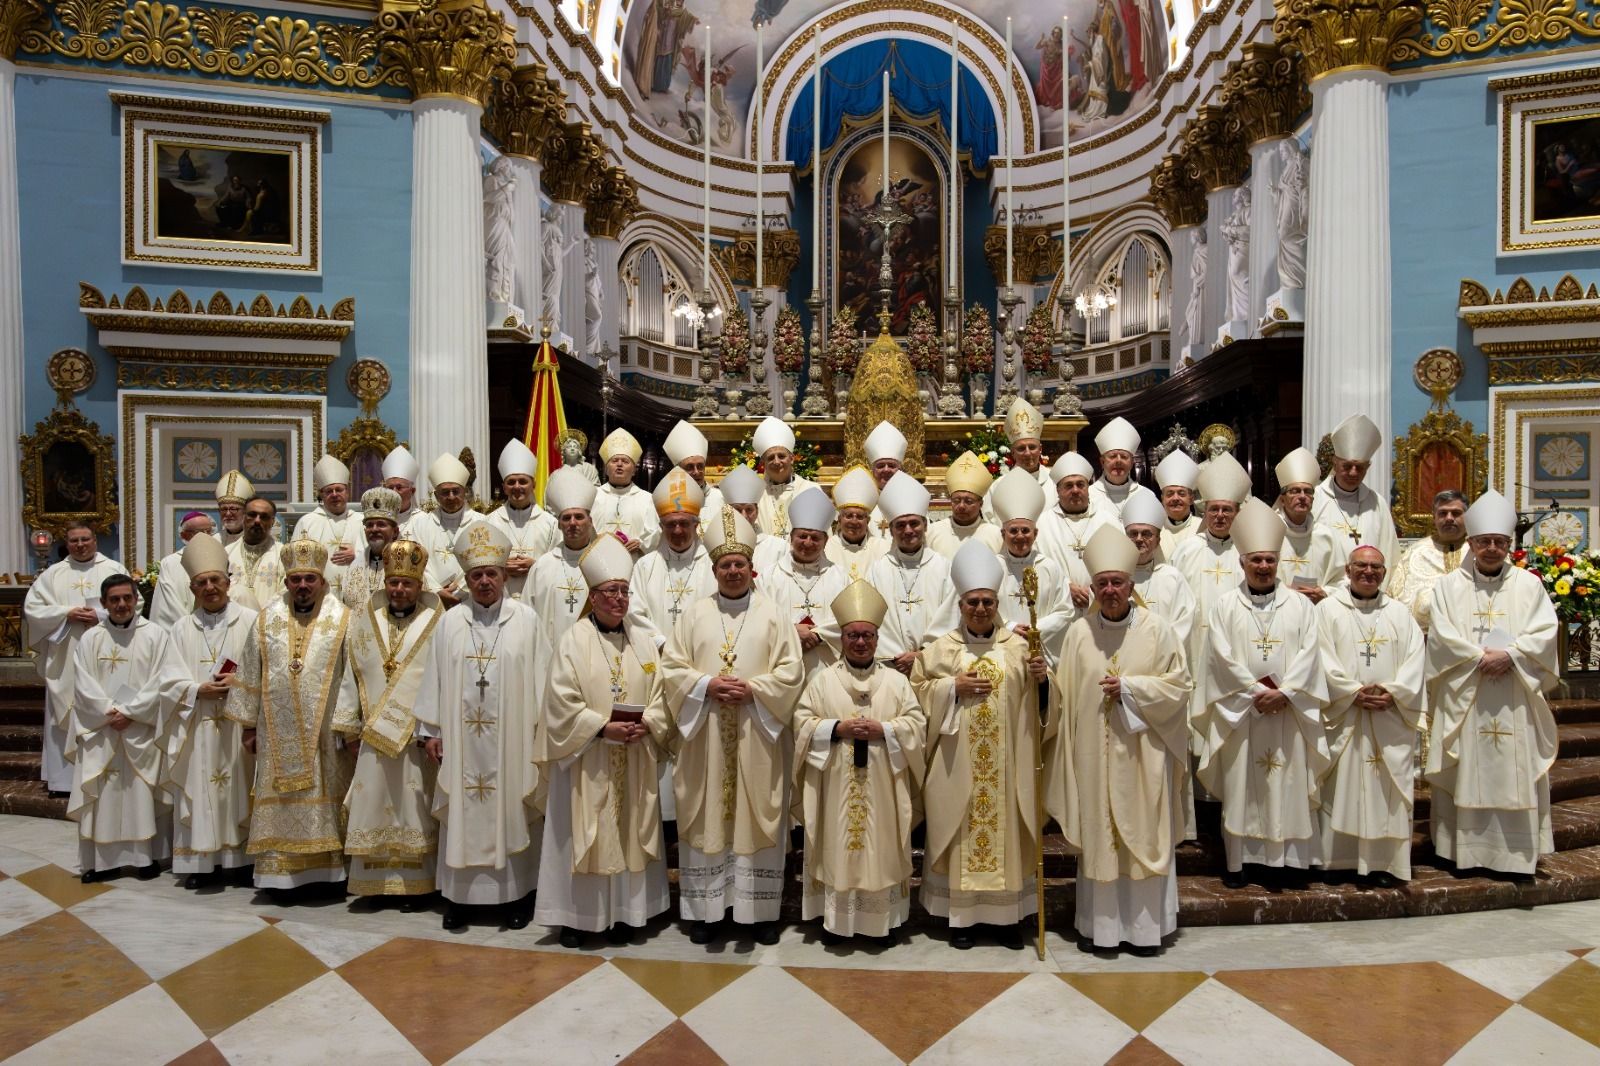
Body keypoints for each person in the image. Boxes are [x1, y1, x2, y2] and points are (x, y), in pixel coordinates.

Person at [646, 507, 805, 945]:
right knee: (706, 815)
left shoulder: (774, 615)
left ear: (751, 568)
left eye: (739, 565)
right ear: (713, 570)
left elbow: (792, 671)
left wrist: (755, 690)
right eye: (724, 565)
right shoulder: (693, 615)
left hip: (758, 734)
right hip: (706, 739)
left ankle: (760, 913)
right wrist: (706, 684)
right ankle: (706, 912)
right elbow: (672, 668)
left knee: (757, 816)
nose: (732, 571)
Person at [1047, 526, 1191, 955]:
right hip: (1093, 759)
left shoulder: (1158, 630)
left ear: (1132, 585)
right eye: (1102, 583)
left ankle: (1146, 931)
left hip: (1144, 756)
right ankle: (1101, 929)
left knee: (1142, 831)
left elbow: (1179, 687)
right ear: (1092, 587)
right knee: (1100, 837)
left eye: (1117, 583)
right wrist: (1043, 683)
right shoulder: (1078, 634)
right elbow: (1064, 697)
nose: (1110, 590)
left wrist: (1131, 689)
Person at [534, 536, 671, 947]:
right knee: (586, 831)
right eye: (611, 592)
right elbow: (559, 701)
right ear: (592, 598)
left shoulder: (645, 641)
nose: (620, 599)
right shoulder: (573, 640)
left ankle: (631, 913)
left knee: (631, 826)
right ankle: (580, 918)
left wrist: (648, 721)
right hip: (586, 759)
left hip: (634, 754)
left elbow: (663, 694)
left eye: (625, 591)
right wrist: (599, 727)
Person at [912, 540, 1049, 949]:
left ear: (998, 603)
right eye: (973, 601)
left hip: (1009, 765)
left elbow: (1047, 706)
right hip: (957, 765)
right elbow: (916, 693)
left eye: (988, 601)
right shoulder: (940, 650)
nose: (980, 609)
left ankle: (1007, 919)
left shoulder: (1021, 649)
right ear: (960, 604)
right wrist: (950, 687)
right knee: (962, 831)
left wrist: (1043, 681)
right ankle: (963, 920)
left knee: (1006, 831)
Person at [414, 523, 549, 930]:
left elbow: (543, 680)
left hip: (514, 740)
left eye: (491, 573)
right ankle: (459, 899)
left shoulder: (527, 620)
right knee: (462, 809)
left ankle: (516, 895)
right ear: (467, 580)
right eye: (477, 575)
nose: (485, 581)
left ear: (505, 576)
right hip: (461, 741)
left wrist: (542, 736)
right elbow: (433, 677)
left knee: (512, 806)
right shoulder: (450, 622)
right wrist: (431, 732)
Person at [1425, 490, 1558, 880]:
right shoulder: (1449, 587)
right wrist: (1479, 657)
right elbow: (1441, 636)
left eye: (1500, 542)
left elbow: (1546, 631)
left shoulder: (1528, 586)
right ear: (1470, 543)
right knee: (1467, 765)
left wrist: (1512, 655)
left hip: (1514, 693)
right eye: (1484, 541)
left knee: (1512, 766)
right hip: (1468, 694)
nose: (1492, 549)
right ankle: (1462, 852)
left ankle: (1514, 857)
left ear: (1509, 545)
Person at [1197, 500, 1330, 889]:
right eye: (1255, 560)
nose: (1262, 567)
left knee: (1288, 784)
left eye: (1269, 561)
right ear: (1242, 563)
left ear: (1278, 563)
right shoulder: (1225, 606)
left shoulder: (1301, 606)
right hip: (1245, 715)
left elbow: (1311, 653)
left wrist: (1286, 693)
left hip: (1288, 714)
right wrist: (1255, 693)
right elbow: (1218, 657)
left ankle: (1288, 863)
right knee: (1243, 787)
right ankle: (1241, 863)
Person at [792, 580, 927, 941]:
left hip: (883, 783)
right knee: (838, 845)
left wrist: (884, 729)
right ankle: (839, 922)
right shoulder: (822, 681)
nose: (861, 642)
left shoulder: (897, 683)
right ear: (842, 639)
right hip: (835, 783)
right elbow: (802, 723)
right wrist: (837, 727)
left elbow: (917, 724)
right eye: (853, 635)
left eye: (868, 635)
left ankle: (880, 921)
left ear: (878, 638)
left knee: (880, 845)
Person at [224, 540, 355, 895]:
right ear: (286, 582)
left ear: (321, 580)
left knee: (325, 795)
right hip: (273, 731)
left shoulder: (342, 618)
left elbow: (352, 676)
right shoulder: (267, 618)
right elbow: (251, 670)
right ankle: (279, 875)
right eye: (295, 579)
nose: (302, 586)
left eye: (309, 579)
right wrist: (249, 724)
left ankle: (327, 876)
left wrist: (348, 722)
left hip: (326, 734)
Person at [333, 539, 444, 903]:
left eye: (406, 584)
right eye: (393, 583)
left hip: (414, 736)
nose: (399, 590)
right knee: (373, 801)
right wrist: (349, 723)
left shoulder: (435, 621)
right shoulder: (367, 618)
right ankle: (374, 885)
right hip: (373, 733)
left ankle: (417, 885)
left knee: (415, 806)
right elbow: (353, 672)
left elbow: (441, 677)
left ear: (419, 585)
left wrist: (434, 730)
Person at [1316, 545, 1425, 885]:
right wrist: (1351, 692)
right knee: (1341, 788)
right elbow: (1320, 656)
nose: (1368, 572)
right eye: (1361, 566)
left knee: (1386, 793)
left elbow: (1416, 659)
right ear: (1347, 571)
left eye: (1376, 567)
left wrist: (1394, 692)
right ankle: (1339, 862)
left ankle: (1384, 864)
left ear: (1384, 573)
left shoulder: (1399, 613)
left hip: (1389, 716)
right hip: (1345, 716)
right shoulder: (1327, 611)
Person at [70, 574, 183, 883]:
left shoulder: (156, 635)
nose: (121, 604)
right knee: (103, 793)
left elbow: (163, 679)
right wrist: (111, 713)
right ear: (104, 603)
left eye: (127, 598)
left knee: (139, 793)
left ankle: (144, 859)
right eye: (114, 599)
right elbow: (82, 684)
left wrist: (131, 713)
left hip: (139, 729)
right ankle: (100, 863)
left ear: (136, 600)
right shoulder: (91, 638)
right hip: (103, 729)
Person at [160, 533, 256, 889]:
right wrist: (197, 689)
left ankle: (242, 862)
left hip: (238, 722)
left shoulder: (250, 619)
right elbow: (167, 679)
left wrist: (238, 684)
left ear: (229, 583)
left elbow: (264, 668)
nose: (210, 587)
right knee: (200, 789)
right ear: (192, 588)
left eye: (216, 580)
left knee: (240, 787)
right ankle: (202, 864)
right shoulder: (181, 628)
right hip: (198, 723)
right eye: (202, 582)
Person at [23, 521, 131, 794]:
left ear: (95, 540)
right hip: (66, 654)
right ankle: (63, 782)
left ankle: (106, 774)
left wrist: (101, 615)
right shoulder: (53, 575)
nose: (80, 545)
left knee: (104, 707)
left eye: (85, 539)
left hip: (108, 653)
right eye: (74, 541)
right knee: (65, 710)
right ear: (66, 543)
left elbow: (134, 603)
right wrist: (65, 614)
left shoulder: (114, 569)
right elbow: (33, 609)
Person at [944, 466, 1075, 667]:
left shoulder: (1050, 567)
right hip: (999, 649)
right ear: (1003, 535)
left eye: (1025, 531)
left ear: (1035, 534)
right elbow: (980, 605)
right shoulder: (991, 566)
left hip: (1042, 650)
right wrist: (1010, 626)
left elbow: (1065, 610)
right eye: (1013, 531)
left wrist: (1035, 629)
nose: (1020, 536)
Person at [866, 472, 952, 675]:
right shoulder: (878, 570)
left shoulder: (943, 568)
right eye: (900, 525)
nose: (908, 530)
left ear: (925, 526)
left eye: (914, 523)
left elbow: (950, 618)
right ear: (891, 530)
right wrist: (896, 655)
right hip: (890, 666)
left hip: (935, 666)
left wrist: (923, 655)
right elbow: (873, 618)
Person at [760, 486, 849, 677]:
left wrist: (818, 634)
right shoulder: (769, 577)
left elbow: (849, 617)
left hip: (828, 668)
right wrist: (791, 632)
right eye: (802, 536)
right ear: (791, 538)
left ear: (825, 541)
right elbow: (760, 618)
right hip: (783, 668)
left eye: (815, 538)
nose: (808, 543)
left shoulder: (839, 576)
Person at [1312, 414, 1401, 581]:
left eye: (1359, 467)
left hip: (1369, 591)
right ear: (1335, 463)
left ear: (1368, 467)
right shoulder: (1315, 500)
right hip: (1325, 592)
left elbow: (1389, 552)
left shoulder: (1376, 503)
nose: (1353, 472)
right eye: (1347, 466)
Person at [526, 467, 600, 656]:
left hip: (592, 654)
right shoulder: (543, 566)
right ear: (559, 524)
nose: (573, 523)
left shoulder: (603, 565)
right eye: (566, 518)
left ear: (590, 521)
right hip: (547, 656)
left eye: (579, 517)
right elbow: (526, 614)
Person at [486, 438, 560, 600]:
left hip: (538, 599)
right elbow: (481, 564)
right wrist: (501, 567)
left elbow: (559, 565)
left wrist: (535, 565)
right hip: (500, 599)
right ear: (504, 487)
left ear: (533, 484)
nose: (517, 487)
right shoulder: (490, 522)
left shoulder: (550, 523)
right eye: (511, 482)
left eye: (523, 482)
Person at [1123, 494, 1197, 653]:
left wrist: (1158, 652)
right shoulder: (1112, 578)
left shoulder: (1172, 578)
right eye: (1133, 534)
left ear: (1158, 540)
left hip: (1164, 658)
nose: (1139, 539)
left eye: (1147, 534)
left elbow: (1184, 622)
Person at [407, 452, 484, 603]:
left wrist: (462, 588)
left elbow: (484, 560)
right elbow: (414, 561)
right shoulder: (421, 524)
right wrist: (436, 590)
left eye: (456, 491)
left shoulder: (480, 523)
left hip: (471, 598)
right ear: (436, 496)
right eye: (445, 492)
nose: (450, 496)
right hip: (432, 600)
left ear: (465, 492)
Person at [1035, 453, 1109, 611]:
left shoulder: (1108, 522)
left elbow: (1119, 564)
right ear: (1058, 490)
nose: (1075, 490)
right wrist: (1065, 588)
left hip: (1100, 604)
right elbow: (1034, 566)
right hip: (1058, 607)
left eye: (1080, 485)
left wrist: (1096, 589)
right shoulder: (1041, 525)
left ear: (1088, 488)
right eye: (1068, 486)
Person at [1390, 489, 1469, 632]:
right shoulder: (1416, 552)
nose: (1449, 518)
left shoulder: (1480, 550)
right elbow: (1394, 598)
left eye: (1456, 513)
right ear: (1434, 517)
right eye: (1443, 513)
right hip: (1425, 639)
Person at [1272, 447, 1341, 600]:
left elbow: (1340, 580)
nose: (1302, 496)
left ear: (1313, 499)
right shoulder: (1268, 532)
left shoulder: (1325, 535)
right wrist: (1280, 592)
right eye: (1295, 491)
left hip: (1317, 611)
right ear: (1282, 499)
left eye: (1308, 491)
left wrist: (1323, 593)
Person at [294, 454, 359, 600]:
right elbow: (296, 562)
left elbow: (378, 556)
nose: (334, 495)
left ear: (347, 492)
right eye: (329, 491)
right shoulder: (307, 522)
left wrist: (358, 555)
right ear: (321, 495)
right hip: (319, 598)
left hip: (355, 597)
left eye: (339, 490)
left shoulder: (362, 521)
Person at [591, 429, 661, 555]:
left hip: (635, 563)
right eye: (614, 460)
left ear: (634, 471)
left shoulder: (647, 499)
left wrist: (642, 544)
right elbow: (584, 531)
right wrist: (597, 539)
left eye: (625, 461)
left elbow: (656, 532)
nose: (619, 464)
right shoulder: (593, 496)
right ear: (606, 470)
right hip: (598, 561)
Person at [983, 398, 1050, 524]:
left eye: (1032, 447)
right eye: (1021, 448)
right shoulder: (998, 487)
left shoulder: (1056, 483)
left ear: (1040, 449)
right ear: (1012, 452)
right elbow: (990, 524)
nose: (1027, 453)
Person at [340, 487, 407, 609]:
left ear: (395, 531)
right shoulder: (353, 569)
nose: (374, 529)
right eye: (370, 525)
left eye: (381, 524)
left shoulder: (409, 566)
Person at [927, 451, 1002, 559]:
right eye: (956, 500)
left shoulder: (995, 535)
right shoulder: (932, 532)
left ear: (980, 503)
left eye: (968, 501)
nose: (961, 506)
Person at [148, 511, 217, 629]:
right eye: (199, 532)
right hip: (185, 631)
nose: (206, 536)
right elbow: (169, 605)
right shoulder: (171, 563)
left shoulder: (220, 558)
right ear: (185, 535)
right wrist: (193, 628)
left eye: (209, 531)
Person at [752, 415, 817, 537]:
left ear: (792, 459)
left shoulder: (810, 490)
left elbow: (821, 536)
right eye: (770, 458)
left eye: (781, 456)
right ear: (763, 463)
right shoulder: (756, 495)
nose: (776, 462)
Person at [718, 463, 785, 576]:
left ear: (757, 512)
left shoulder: (778, 548)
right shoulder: (717, 546)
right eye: (738, 510)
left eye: (749, 509)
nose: (744, 516)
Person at [1088, 416, 1159, 518]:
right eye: (1112, 456)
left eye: (1124, 456)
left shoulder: (1146, 496)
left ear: (1132, 462)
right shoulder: (1089, 496)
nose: (1118, 461)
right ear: (1102, 462)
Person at [826, 466, 887, 579]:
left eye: (859, 517)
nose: (854, 521)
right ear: (839, 519)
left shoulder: (882, 549)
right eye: (848, 516)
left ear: (867, 521)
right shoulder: (826, 548)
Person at [226, 496, 285, 611]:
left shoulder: (283, 555)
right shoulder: (226, 554)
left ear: (272, 522)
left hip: (269, 623)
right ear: (243, 517)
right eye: (252, 515)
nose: (257, 520)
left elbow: (286, 594)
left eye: (264, 517)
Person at [663, 419, 724, 529]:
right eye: (690, 467)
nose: (696, 472)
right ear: (678, 470)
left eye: (700, 466)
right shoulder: (666, 500)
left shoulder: (720, 498)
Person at [864, 420, 908, 538]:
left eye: (892, 465)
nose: (886, 470)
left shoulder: (911, 499)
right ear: (872, 471)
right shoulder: (862, 500)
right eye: (880, 466)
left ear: (900, 469)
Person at [1153, 451, 1202, 554]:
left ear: (1191, 499)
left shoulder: (1203, 528)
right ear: (1162, 499)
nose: (1175, 498)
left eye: (1181, 493)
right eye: (1170, 494)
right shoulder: (1154, 530)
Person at [382, 446, 430, 543]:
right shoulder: (378, 520)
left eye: (399, 487)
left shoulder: (424, 520)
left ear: (412, 491)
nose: (394, 492)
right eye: (390, 488)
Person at [214, 469, 254, 548]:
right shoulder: (214, 541)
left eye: (233, 509)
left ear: (245, 512)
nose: (228, 513)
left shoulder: (257, 540)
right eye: (224, 509)